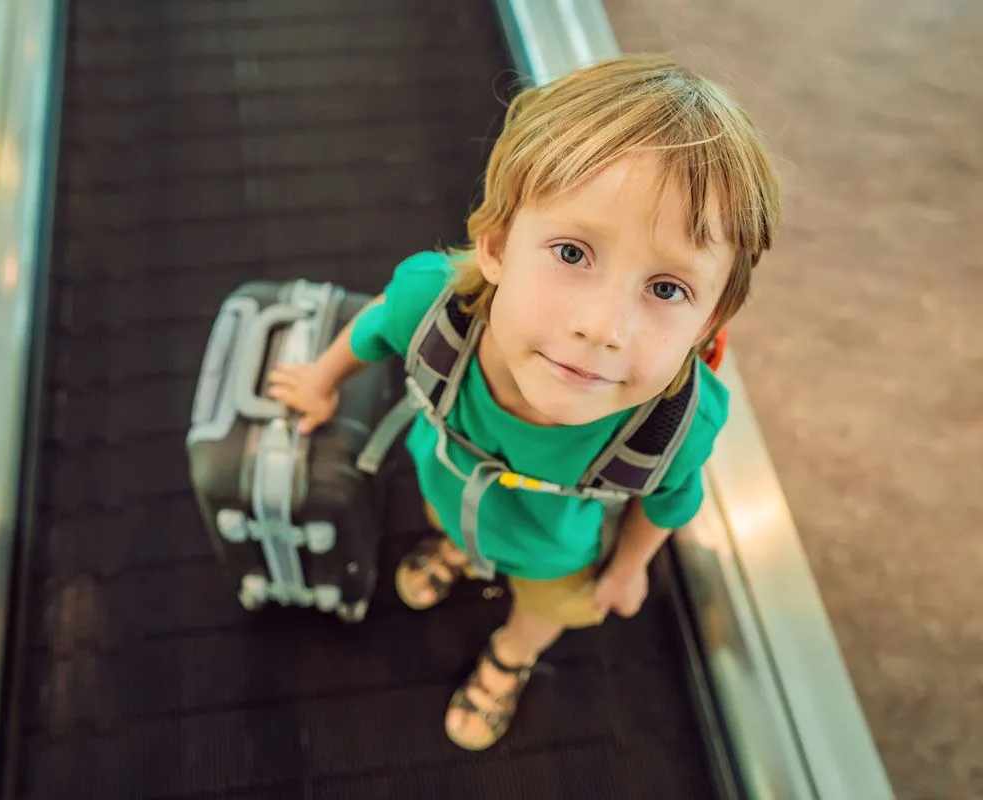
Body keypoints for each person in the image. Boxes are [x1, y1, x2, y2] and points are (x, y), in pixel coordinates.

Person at [266, 52, 781, 752]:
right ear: (498, 244)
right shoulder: (432, 304)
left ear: (709, 324)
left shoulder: (676, 426)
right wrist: (323, 379)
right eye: (572, 253)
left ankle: (512, 654)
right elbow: (378, 323)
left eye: (666, 290)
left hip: (554, 553)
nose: (602, 328)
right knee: (448, 517)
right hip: (446, 482)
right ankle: (456, 549)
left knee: (545, 608)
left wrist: (627, 570)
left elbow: (670, 502)